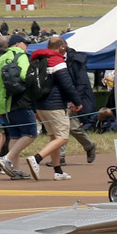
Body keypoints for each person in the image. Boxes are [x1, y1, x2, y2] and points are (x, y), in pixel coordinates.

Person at [29, 37, 90, 180]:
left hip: (40, 105)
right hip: (55, 105)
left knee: (54, 137)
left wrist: (34, 107)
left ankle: (58, 171)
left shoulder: (37, 60)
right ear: (61, 47)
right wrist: (77, 101)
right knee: (62, 137)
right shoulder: (57, 61)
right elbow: (67, 84)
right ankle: (36, 158)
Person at [0, 35, 37, 180]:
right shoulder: (21, 55)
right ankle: (6, 158)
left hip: (3, 104)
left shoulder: (0, 60)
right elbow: (25, 75)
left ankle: (15, 169)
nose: (27, 47)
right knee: (30, 133)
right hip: (19, 101)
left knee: (15, 135)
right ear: (17, 44)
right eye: (25, 44)